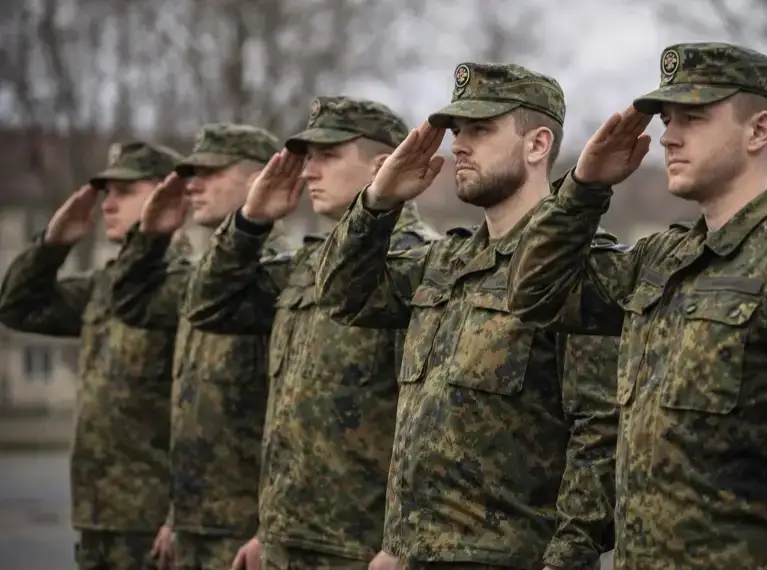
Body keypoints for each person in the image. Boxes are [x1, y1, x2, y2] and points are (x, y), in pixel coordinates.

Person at [506, 42, 767, 569]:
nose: (668, 135)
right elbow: (532, 293)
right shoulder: (660, 258)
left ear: (759, 131)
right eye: (668, 119)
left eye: (693, 118)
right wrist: (583, 187)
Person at [313, 63, 620, 570]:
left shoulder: (578, 270)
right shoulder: (444, 264)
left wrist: (567, 559)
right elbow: (342, 295)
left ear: (537, 144)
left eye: (480, 129)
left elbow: (600, 436)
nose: (458, 144)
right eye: (456, 131)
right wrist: (378, 202)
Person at [180, 96, 440, 570]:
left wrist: (403, 543)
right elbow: (207, 306)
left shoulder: (421, 264)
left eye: (328, 156)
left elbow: (433, 424)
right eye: (309, 158)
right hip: (288, 542)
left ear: (382, 166)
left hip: (360, 550)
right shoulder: (307, 266)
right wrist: (250, 223)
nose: (307, 172)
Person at [106, 123, 285, 570]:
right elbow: (128, 301)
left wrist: (273, 526)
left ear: (258, 177)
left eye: (210, 171)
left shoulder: (277, 276)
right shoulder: (200, 279)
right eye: (191, 173)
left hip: (247, 530)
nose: (194, 184)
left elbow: (291, 422)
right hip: (193, 526)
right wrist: (151, 237)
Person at [0, 141, 186, 570]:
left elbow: (205, 417)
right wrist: (52, 244)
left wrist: (182, 514)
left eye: (125, 191)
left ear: (165, 194)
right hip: (99, 514)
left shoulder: (191, 286)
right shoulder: (103, 287)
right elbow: (17, 306)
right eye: (107, 192)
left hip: (156, 520)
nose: (108, 204)